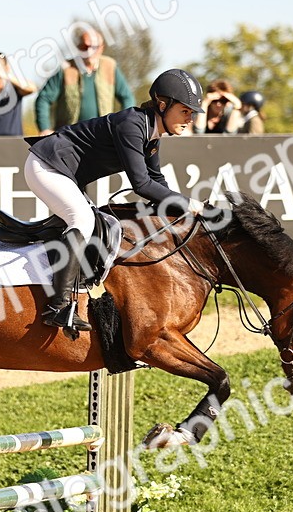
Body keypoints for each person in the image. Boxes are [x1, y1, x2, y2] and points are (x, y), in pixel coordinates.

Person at [23, 68, 204, 333]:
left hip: (64, 173)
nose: (190, 119)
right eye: (185, 111)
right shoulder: (132, 125)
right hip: (46, 166)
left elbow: (157, 180)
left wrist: (179, 210)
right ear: (163, 105)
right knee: (82, 220)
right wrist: (187, 203)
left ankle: (77, 297)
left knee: (100, 224)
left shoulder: (152, 135)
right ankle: (57, 307)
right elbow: (141, 184)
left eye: (191, 113)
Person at [34, 27, 134, 134]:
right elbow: (43, 99)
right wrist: (44, 128)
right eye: (85, 47)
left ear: (102, 48)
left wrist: (123, 124)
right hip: (68, 137)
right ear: (79, 48)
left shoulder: (110, 66)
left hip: (102, 135)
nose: (89, 51)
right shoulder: (66, 68)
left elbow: (127, 98)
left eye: (94, 47)